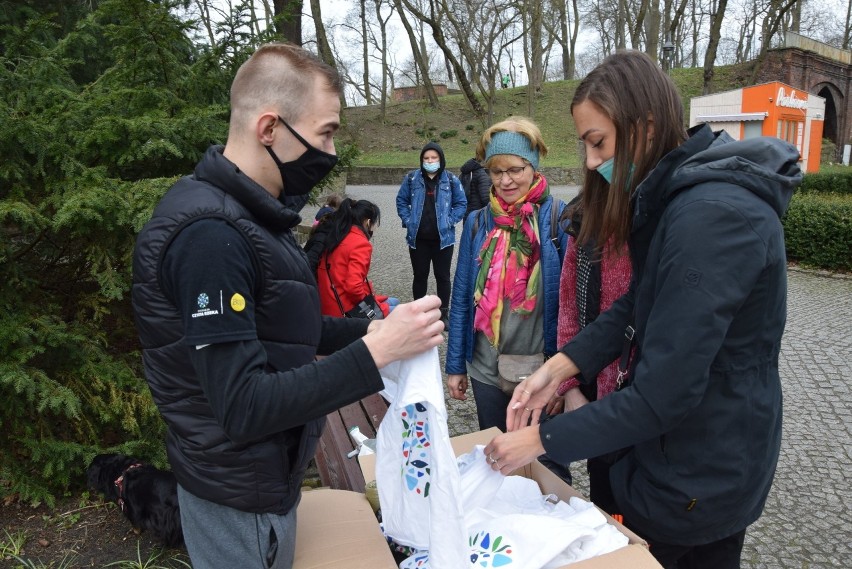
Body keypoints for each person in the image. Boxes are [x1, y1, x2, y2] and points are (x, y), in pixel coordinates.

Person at [131, 42, 445, 569]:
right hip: (239, 497)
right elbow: (244, 406)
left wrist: (371, 331)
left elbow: (282, 328)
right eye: (324, 133)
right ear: (270, 129)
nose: (329, 151)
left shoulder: (251, 216)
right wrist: (375, 355)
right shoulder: (212, 236)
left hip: (258, 479)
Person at [484, 50, 801, 568]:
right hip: (674, 459)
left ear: (646, 128)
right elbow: (641, 301)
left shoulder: (710, 218)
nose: (590, 162)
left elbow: (663, 395)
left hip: (699, 473)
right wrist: (562, 365)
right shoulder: (682, 199)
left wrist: (538, 441)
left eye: (598, 143)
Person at [445, 116, 567, 436]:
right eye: (497, 171)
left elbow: (572, 309)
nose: (506, 181)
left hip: (541, 370)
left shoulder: (558, 219)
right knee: (496, 455)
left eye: (515, 170)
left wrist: (564, 376)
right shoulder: (477, 222)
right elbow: (460, 300)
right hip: (485, 367)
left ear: (534, 168)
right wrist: (455, 365)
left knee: (545, 461)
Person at [547, 194, 632, 516]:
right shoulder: (583, 218)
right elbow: (568, 310)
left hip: (647, 398)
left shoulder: (667, 217)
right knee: (607, 507)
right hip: (595, 393)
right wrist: (569, 386)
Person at [396, 141, 467, 328]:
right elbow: (401, 201)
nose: (430, 161)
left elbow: (461, 203)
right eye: (426, 158)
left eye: (434, 158)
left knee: (443, 276)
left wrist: (450, 221)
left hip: (443, 241)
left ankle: (444, 314)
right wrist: (408, 220)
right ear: (422, 160)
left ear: (440, 159)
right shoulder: (411, 179)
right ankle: (418, 312)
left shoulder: (451, 180)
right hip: (418, 240)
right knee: (420, 276)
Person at [315, 198, 395, 318]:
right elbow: (353, 287)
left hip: (327, 302)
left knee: (392, 301)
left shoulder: (338, 235)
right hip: (344, 310)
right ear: (368, 222)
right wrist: (368, 303)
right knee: (398, 308)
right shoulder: (360, 244)